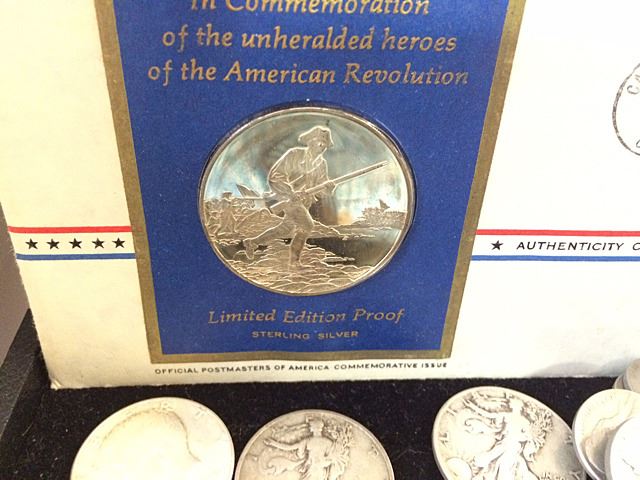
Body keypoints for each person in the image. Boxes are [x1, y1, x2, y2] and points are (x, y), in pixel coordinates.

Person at [243, 126, 336, 266]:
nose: (322, 145)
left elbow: (320, 188)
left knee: (285, 228)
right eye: (319, 141)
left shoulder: (322, 164)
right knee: (307, 226)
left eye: (325, 143)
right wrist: (290, 192)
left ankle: (251, 242)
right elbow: (276, 176)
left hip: (303, 202)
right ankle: (294, 262)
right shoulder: (294, 154)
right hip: (287, 198)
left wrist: (328, 188)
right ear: (310, 141)